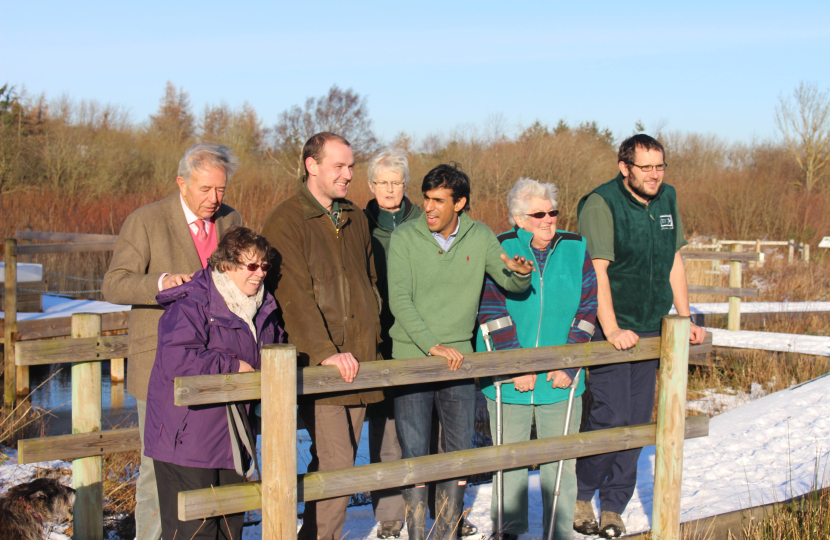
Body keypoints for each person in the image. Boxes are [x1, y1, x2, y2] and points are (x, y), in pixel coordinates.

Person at [386, 163, 535, 540]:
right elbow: (399, 299)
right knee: (415, 451)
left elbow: (509, 282)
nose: (430, 208)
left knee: (459, 451)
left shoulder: (480, 235)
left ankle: (447, 531)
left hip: (459, 359)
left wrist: (520, 273)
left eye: (439, 200)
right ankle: (418, 534)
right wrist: (428, 344)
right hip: (412, 357)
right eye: (426, 199)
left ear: (460, 203)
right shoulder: (405, 237)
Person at [102, 143, 243, 540]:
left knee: (217, 462)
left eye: (221, 190)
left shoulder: (232, 220)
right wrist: (162, 282)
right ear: (181, 183)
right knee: (155, 469)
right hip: (159, 369)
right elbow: (113, 283)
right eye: (205, 190)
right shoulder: (146, 221)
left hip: (219, 364)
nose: (215, 200)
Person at [574, 134, 706, 538]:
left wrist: (685, 317)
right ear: (624, 167)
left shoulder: (668, 199)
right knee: (610, 415)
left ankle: (614, 504)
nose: (654, 175)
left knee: (636, 418)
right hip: (612, 325)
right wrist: (611, 327)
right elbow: (597, 270)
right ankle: (580, 495)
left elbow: (673, 260)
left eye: (659, 166)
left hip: (651, 327)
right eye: (645, 167)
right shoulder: (601, 203)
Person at [261, 132, 384, 540]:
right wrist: (324, 352)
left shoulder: (354, 217)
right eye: (339, 166)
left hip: (360, 356)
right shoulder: (286, 220)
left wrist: (374, 330)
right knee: (336, 464)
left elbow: (368, 280)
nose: (349, 175)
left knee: (336, 462)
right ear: (312, 165)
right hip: (324, 365)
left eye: (351, 166)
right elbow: (292, 294)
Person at [475, 178, 598, 540]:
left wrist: (569, 363)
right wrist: (516, 364)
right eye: (539, 213)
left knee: (560, 464)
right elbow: (491, 309)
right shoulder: (500, 248)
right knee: (508, 462)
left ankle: (558, 534)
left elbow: (588, 308)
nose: (548, 219)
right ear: (518, 218)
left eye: (553, 212)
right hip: (509, 380)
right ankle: (508, 531)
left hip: (561, 379)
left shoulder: (576, 248)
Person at [143, 226, 281, 539]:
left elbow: (274, 352)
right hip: (188, 435)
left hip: (234, 436)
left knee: (231, 528)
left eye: (264, 266)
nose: (259, 273)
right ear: (225, 265)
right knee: (194, 532)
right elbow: (176, 358)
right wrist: (232, 367)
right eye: (251, 265)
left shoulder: (264, 306)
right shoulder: (192, 303)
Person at [363, 148, 422, 539]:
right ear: (371, 186)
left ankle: (438, 503)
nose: (390, 189)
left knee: (427, 425)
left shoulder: (423, 221)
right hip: (380, 335)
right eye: (382, 182)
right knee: (385, 426)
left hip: (420, 333)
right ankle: (389, 513)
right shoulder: (358, 224)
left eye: (396, 182)